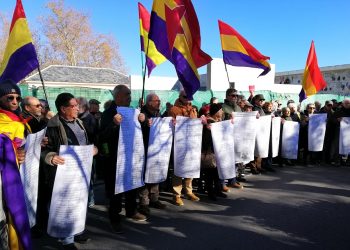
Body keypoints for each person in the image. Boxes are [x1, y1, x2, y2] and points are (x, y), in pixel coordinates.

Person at [41, 93, 96, 249]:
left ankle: (77, 230)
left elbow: (86, 142)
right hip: (62, 173)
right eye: (73, 106)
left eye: (77, 105)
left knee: (79, 202)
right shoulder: (51, 127)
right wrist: (51, 157)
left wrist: (93, 149)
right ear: (63, 109)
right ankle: (67, 240)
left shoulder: (80, 123)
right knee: (66, 205)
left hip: (82, 170)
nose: (77, 108)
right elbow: (42, 151)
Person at [99, 85, 147, 233]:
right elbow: (103, 136)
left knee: (131, 184)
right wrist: (114, 124)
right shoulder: (108, 113)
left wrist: (143, 121)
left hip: (132, 155)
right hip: (115, 158)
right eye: (127, 94)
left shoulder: (134, 112)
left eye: (130, 94)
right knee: (116, 190)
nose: (130, 97)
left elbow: (142, 133)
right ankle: (114, 218)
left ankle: (131, 211)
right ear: (117, 96)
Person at [0, 79, 31, 250]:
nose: (14, 101)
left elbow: (21, 146)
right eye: (9, 97)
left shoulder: (20, 121)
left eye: (18, 98)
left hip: (16, 176)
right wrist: (12, 150)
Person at [169, 90, 200, 206]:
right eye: (185, 96)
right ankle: (176, 194)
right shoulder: (173, 110)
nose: (188, 98)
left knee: (190, 166)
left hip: (191, 142)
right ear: (180, 97)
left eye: (189, 96)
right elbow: (170, 126)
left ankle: (189, 191)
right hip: (179, 142)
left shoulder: (193, 109)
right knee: (178, 169)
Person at [138, 93, 167, 217]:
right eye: (157, 100)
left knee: (155, 173)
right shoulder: (141, 114)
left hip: (157, 149)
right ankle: (144, 203)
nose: (159, 102)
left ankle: (155, 199)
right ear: (149, 102)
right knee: (144, 176)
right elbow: (137, 130)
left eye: (159, 100)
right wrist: (144, 124)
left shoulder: (158, 113)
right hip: (144, 149)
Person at [201, 103, 227, 200]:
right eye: (220, 110)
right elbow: (205, 139)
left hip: (218, 150)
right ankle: (210, 192)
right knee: (210, 174)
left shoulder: (218, 121)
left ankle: (218, 190)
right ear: (216, 112)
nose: (222, 112)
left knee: (217, 173)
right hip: (209, 151)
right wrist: (208, 130)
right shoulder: (208, 122)